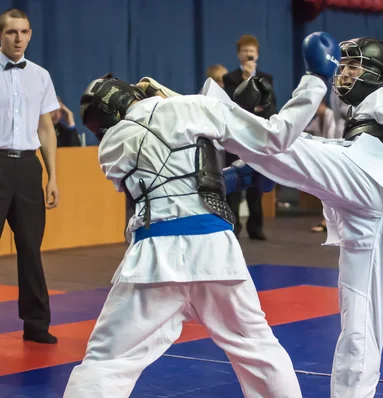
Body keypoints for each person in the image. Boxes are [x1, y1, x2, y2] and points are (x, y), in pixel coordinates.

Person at [202, 38, 383, 397]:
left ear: (377, 74)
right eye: (345, 66)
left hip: (373, 183)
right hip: (365, 213)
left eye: (354, 67)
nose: (345, 73)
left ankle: (215, 117)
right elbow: (338, 151)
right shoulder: (355, 118)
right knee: (359, 321)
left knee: (289, 144)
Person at [62, 32, 340, 398]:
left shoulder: (110, 148)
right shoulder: (192, 107)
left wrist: (228, 173)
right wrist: (316, 79)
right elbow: (276, 137)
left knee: (106, 361)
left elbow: (169, 170)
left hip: (153, 259)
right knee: (259, 350)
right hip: (214, 250)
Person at [0, 8, 60, 344]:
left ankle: (36, 324)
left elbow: (46, 128)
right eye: (11, 32)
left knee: (30, 249)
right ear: (1, 34)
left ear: (31, 34)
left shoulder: (40, 75)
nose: (18, 38)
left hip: (27, 167)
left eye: (24, 32)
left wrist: (52, 176)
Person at [222, 34, 275, 240]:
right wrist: (246, 83)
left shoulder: (266, 79)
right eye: (245, 50)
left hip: (257, 137)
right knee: (234, 185)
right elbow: (233, 106)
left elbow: (270, 108)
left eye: (252, 51)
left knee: (256, 185)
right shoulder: (230, 78)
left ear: (257, 54)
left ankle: (256, 227)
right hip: (236, 137)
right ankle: (233, 225)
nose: (249, 54)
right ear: (239, 54)